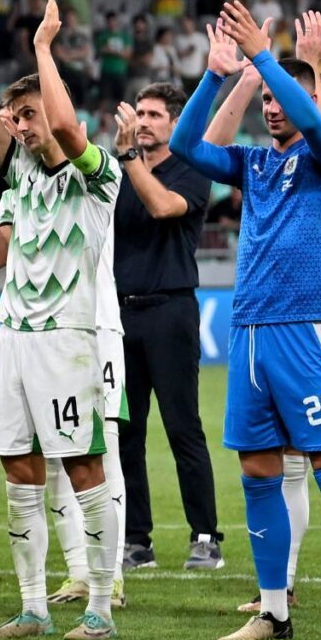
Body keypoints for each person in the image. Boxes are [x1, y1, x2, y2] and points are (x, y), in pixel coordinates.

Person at [170, 0, 321, 640]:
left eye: (283, 98)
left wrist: (270, 55)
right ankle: (274, 611)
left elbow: (314, 118)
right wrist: (219, 75)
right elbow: (184, 146)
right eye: (268, 101)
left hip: (305, 332)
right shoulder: (255, 166)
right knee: (258, 470)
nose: (273, 107)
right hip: (249, 333)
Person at [0, 0, 123, 640]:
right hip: (13, 336)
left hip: (67, 338)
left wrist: (44, 49)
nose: (21, 127)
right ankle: (32, 606)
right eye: (17, 116)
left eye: (30, 114)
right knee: (18, 468)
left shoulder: (96, 175)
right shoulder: (18, 168)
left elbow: (72, 133)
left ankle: (100, 607)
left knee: (82, 466)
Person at [110, 81, 222, 571]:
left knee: (182, 427)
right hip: (120, 312)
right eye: (140, 111)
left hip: (170, 310)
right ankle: (138, 538)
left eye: (154, 114)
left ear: (175, 124)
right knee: (127, 432)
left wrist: (130, 157)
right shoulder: (116, 173)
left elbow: (161, 206)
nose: (144, 120)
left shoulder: (192, 170)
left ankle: (205, 536)